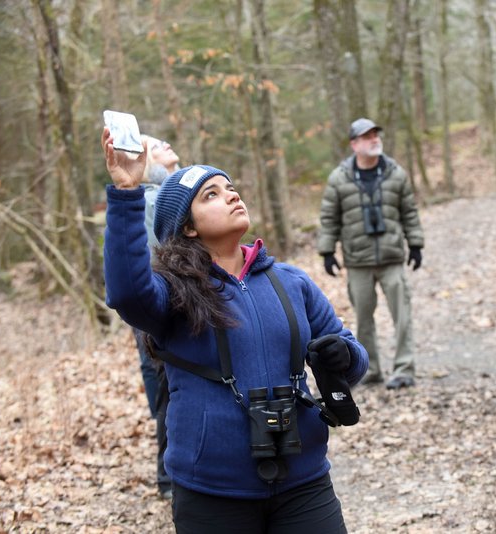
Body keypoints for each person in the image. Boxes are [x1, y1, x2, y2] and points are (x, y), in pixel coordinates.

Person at [101, 127, 367, 532]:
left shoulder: (290, 281)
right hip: (211, 492)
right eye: (211, 194)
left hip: (305, 482)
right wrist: (125, 193)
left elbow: (353, 359)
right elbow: (126, 293)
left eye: (230, 187)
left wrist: (343, 356)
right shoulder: (173, 292)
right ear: (187, 227)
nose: (231, 195)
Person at [317, 118, 424, 390]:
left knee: (402, 316)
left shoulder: (395, 173)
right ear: (354, 144)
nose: (374, 139)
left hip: (391, 258)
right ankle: (371, 369)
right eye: (367, 136)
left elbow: (409, 212)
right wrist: (327, 251)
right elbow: (330, 218)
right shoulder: (339, 178)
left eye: (376, 134)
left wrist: (415, 244)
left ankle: (404, 369)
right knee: (363, 320)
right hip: (358, 261)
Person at [133, 134, 180, 499]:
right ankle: (168, 477)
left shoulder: (172, 192)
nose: (165, 143)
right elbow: (161, 257)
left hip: (170, 300)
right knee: (167, 388)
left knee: (168, 386)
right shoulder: (151, 199)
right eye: (156, 145)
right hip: (164, 304)